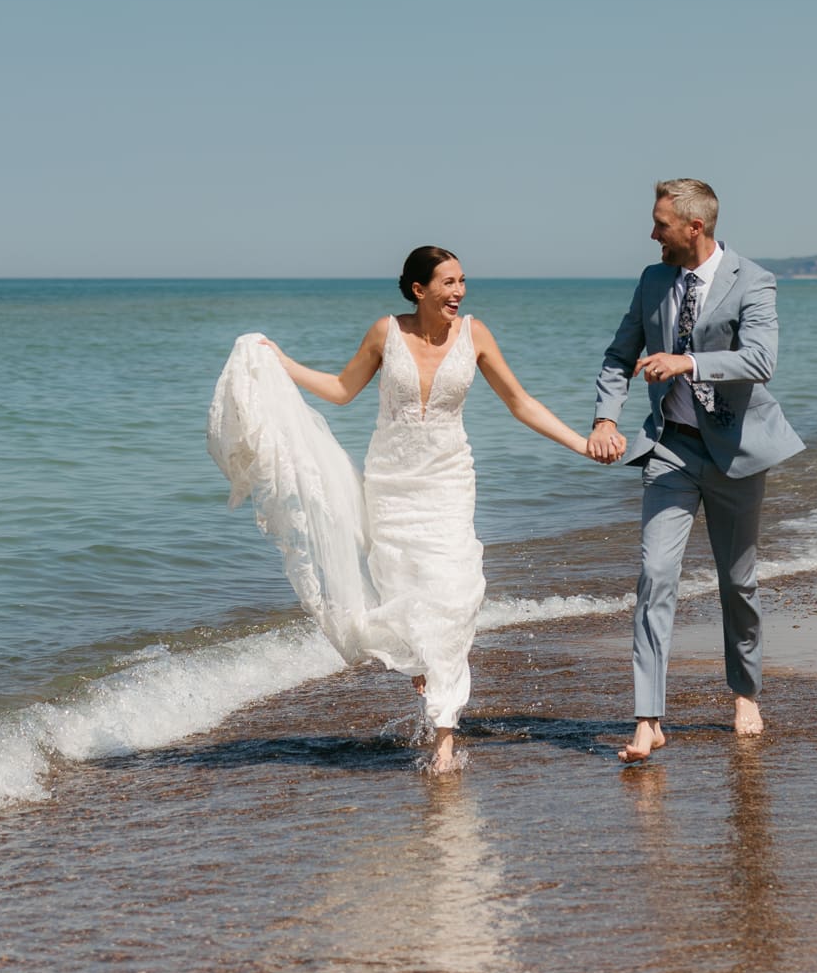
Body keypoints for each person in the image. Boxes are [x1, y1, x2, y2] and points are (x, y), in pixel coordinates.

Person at [215, 246, 597, 774]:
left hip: (447, 483)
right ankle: (426, 670)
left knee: (454, 591)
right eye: (447, 282)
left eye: (463, 281)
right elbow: (343, 390)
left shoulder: (475, 335)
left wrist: (580, 443)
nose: (459, 291)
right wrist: (283, 364)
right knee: (404, 593)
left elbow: (520, 402)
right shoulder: (384, 333)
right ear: (419, 290)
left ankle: (443, 738)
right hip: (392, 486)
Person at [587, 180, 804, 763]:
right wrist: (606, 418)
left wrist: (688, 361)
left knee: (739, 583)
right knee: (654, 575)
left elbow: (761, 359)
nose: (651, 234)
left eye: (660, 224)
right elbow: (617, 355)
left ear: (693, 228)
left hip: (736, 451)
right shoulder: (653, 279)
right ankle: (648, 720)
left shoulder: (753, 281)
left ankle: (745, 691)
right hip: (670, 450)